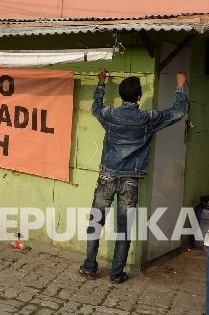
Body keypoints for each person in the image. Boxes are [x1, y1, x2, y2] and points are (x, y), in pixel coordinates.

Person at [79, 68, 188, 284]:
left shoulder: (110, 115)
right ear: (139, 97)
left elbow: (95, 108)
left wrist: (101, 83)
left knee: (96, 223)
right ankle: (116, 274)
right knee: (124, 229)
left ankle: (90, 267)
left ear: (122, 95)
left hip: (107, 177)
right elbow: (177, 112)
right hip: (131, 181)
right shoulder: (148, 118)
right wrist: (179, 86)